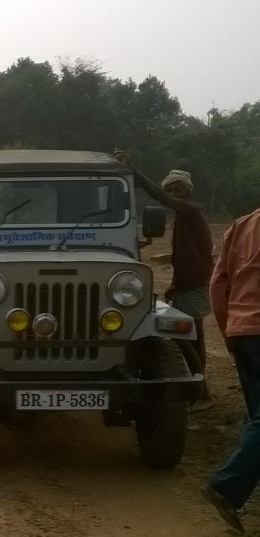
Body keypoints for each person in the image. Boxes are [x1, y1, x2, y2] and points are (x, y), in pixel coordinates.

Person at [114, 149, 215, 410]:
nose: (173, 194)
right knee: (190, 337)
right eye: (170, 190)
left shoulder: (191, 211)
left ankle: (203, 393)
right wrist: (174, 286)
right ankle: (200, 390)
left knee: (190, 337)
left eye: (178, 189)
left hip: (195, 285)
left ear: (187, 192)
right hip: (187, 284)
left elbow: (157, 195)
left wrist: (133, 170)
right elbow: (184, 259)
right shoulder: (183, 219)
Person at [201, 207, 260, 534]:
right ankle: (227, 487)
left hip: (242, 331)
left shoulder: (241, 224)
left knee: (256, 418)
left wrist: (228, 330)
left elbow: (217, 282)